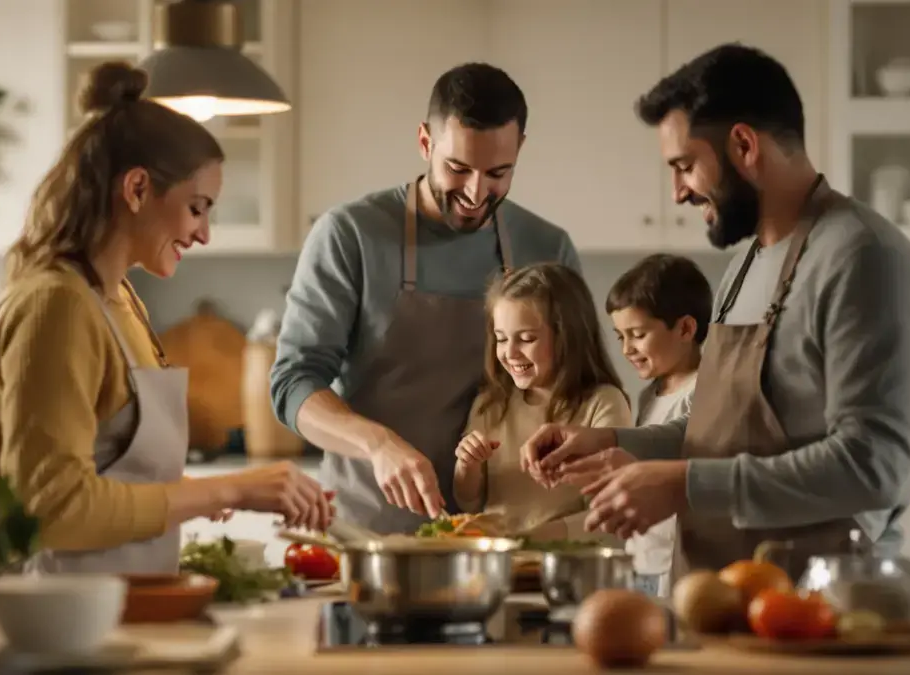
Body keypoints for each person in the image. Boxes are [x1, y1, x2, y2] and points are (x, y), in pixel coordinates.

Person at [522, 43, 910, 581]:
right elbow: (720, 429)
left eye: (685, 165)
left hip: (821, 603)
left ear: (743, 144)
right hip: (722, 593)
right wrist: (617, 442)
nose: (677, 193)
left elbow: (872, 465)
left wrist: (683, 485)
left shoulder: (864, 256)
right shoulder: (743, 264)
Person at [0, 62, 332, 575]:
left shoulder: (119, 299)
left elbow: (114, 476)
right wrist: (227, 486)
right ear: (138, 188)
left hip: (120, 610)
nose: (204, 233)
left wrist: (223, 493)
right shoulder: (55, 305)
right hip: (59, 622)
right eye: (197, 207)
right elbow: (51, 507)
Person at [270, 63, 582, 534]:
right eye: (458, 168)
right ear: (424, 143)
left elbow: (582, 388)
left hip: (505, 535)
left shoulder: (547, 248)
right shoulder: (350, 234)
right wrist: (378, 444)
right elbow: (293, 384)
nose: (477, 193)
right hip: (367, 531)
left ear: (519, 149)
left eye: (499, 172)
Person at [452, 263, 630, 542]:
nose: (509, 353)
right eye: (500, 339)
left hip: (570, 561)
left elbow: (611, 510)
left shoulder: (603, 403)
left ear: (567, 337)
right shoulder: (491, 405)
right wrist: (467, 465)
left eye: (526, 339)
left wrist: (530, 539)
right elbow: (469, 502)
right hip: (502, 560)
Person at [585, 253, 713, 597]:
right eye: (620, 337)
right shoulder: (648, 395)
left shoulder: (705, 392)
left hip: (679, 569)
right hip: (641, 561)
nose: (627, 349)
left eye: (638, 334)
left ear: (685, 329)